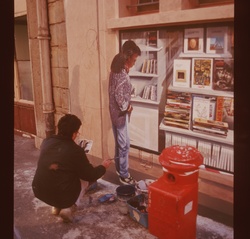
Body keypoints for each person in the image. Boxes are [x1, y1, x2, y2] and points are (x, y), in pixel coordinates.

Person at [32, 114, 111, 222]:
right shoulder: (75, 150)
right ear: (74, 134)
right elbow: (90, 174)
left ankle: (56, 207)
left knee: (60, 173)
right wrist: (103, 166)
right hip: (61, 194)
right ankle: (68, 208)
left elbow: (59, 161)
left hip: (40, 190)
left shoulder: (47, 141)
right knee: (84, 179)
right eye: (77, 132)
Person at [108, 40, 141, 185]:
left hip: (114, 113)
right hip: (121, 115)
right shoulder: (121, 73)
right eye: (134, 59)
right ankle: (124, 174)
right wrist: (126, 107)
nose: (134, 62)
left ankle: (118, 169)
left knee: (119, 143)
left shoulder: (116, 69)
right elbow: (118, 96)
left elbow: (116, 92)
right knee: (125, 144)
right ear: (128, 58)